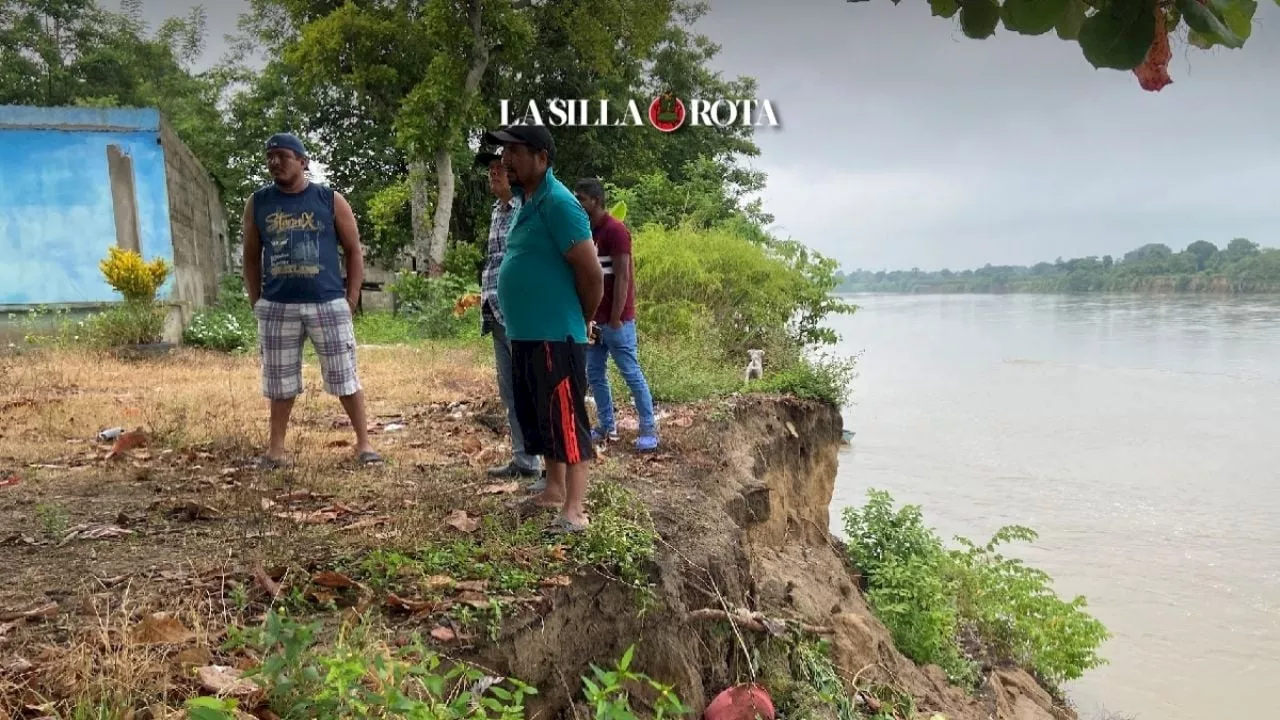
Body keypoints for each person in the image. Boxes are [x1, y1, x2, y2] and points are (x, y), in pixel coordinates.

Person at [483, 121, 603, 532]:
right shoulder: (525, 200)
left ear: (542, 158)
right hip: (526, 334)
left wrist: (580, 322)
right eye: (505, 152)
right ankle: (553, 489)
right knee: (541, 416)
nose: (506, 160)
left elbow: (591, 275)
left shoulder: (559, 202)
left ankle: (575, 509)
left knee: (568, 421)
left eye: (515, 152)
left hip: (557, 335)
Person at [241, 132, 381, 469]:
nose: (275, 162)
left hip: (327, 302)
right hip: (277, 306)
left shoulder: (330, 200)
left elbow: (353, 251)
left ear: (303, 161)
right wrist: (256, 300)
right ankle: (275, 452)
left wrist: (350, 299)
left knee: (344, 376)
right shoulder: (258, 203)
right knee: (279, 381)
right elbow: (249, 255)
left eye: (283, 156)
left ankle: (365, 445)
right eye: (270, 156)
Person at [573, 178, 659, 452]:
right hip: (596, 321)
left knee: (631, 373)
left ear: (595, 201)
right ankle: (607, 426)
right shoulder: (590, 232)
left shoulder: (616, 231)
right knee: (595, 373)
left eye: (581, 199)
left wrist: (615, 317)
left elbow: (623, 277)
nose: (578, 203)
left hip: (616, 321)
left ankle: (648, 429)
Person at [474, 150, 543, 486]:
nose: (494, 174)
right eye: (490, 170)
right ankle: (524, 458)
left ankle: (547, 463)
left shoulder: (528, 208)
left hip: (522, 311)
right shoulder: (497, 211)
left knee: (533, 386)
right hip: (496, 311)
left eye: (499, 169)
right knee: (511, 390)